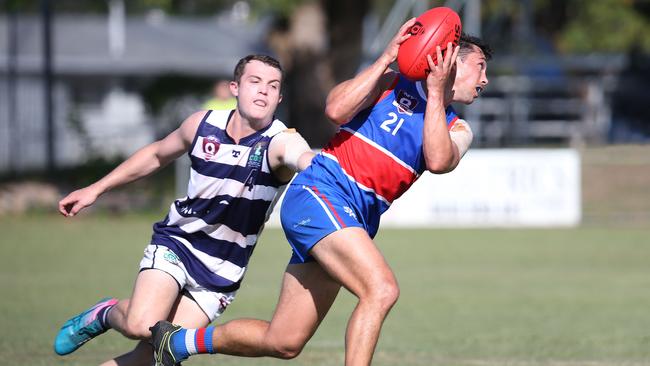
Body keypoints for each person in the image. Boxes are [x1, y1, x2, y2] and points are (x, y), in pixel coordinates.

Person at [151, 18, 492, 366]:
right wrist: (387, 57)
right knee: (381, 290)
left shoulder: (458, 127)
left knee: (284, 341)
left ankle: (178, 344)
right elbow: (335, 109)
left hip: (348, 218)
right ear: (450, 58)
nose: (485, 79)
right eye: (480, 66)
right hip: (320, 192)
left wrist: (436, 93)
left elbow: (438, 159)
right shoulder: (389, 82)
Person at [53, 54, 315, 366]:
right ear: (235, 87)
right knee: (141, 325)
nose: (263, 91)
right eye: (254, 82)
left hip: (222, 270)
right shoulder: (202, 125)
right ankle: (106, 313)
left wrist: (315, 164)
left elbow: (301, 156)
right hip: (179, 243)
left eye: (272, 86)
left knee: (155, 355)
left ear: (279, 97)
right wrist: (95, 189)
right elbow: (155, 154)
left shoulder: (280, 140)